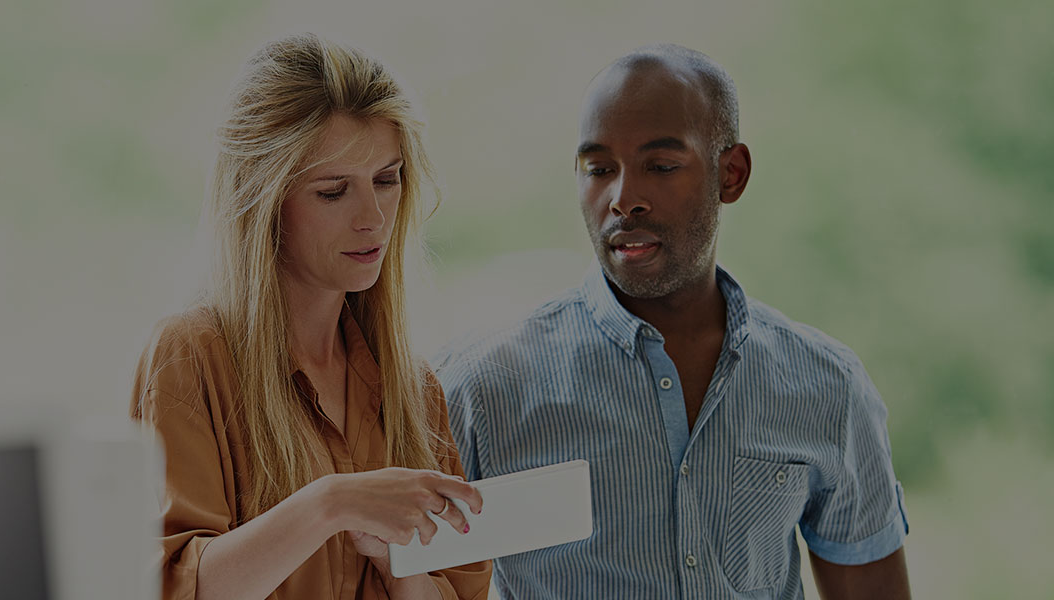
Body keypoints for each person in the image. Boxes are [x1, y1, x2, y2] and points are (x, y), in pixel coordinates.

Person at [434, 44, 911, 599]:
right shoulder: (480, 388)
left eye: (660, 166)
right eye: (598, 169)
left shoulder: (828, 386)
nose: (623, 198)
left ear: (731, 174)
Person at [131, 33, 493, 599]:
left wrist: (405, 572)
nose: (373, 217)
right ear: (263, 199)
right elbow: (170, 589)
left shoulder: (414, 389)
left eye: (386, 179)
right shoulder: (190, 358)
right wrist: (333, 502)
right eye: (333, 191)